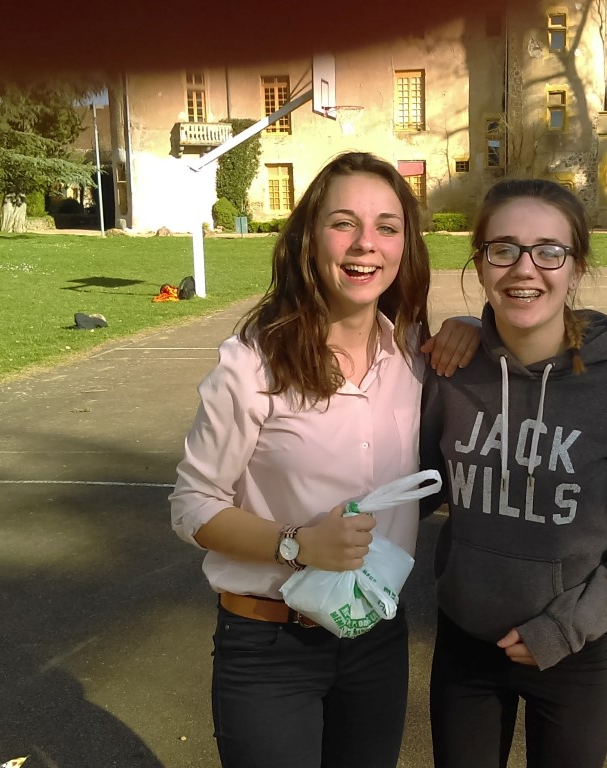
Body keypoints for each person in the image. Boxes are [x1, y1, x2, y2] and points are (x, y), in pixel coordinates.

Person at [169, 152, 466, 768]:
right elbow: (191, 507)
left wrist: (476, 326)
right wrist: (296, 543)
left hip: (374, 634)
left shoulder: (413, 352)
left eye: (387, 227)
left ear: (405, 247)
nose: (366, 244)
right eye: (343, 223)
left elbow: (539, 331)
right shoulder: (251, 364)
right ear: (309, 237)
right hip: (270, 642)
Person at [419, 178, 607, 768]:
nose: (524, 268)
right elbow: (413, 487)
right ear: (481, 262)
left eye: (548, 251)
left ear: (576, 266)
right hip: (465, 645)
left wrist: (569, 627)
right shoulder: (452, 372)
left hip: (573, 653)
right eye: (503, 249)